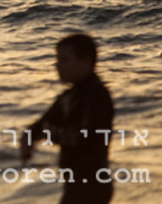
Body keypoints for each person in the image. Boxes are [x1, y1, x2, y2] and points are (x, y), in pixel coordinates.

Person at [19, 33, 115, 204]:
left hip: (92, 184)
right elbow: (42, 125)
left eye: (64, 60)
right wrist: (27, 139)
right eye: (57, 60)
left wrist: (56, 136)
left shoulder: (97, 95)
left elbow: (90, 136)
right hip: (75, 183)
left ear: (85, 62)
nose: (57, 65)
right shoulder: (68, 97)